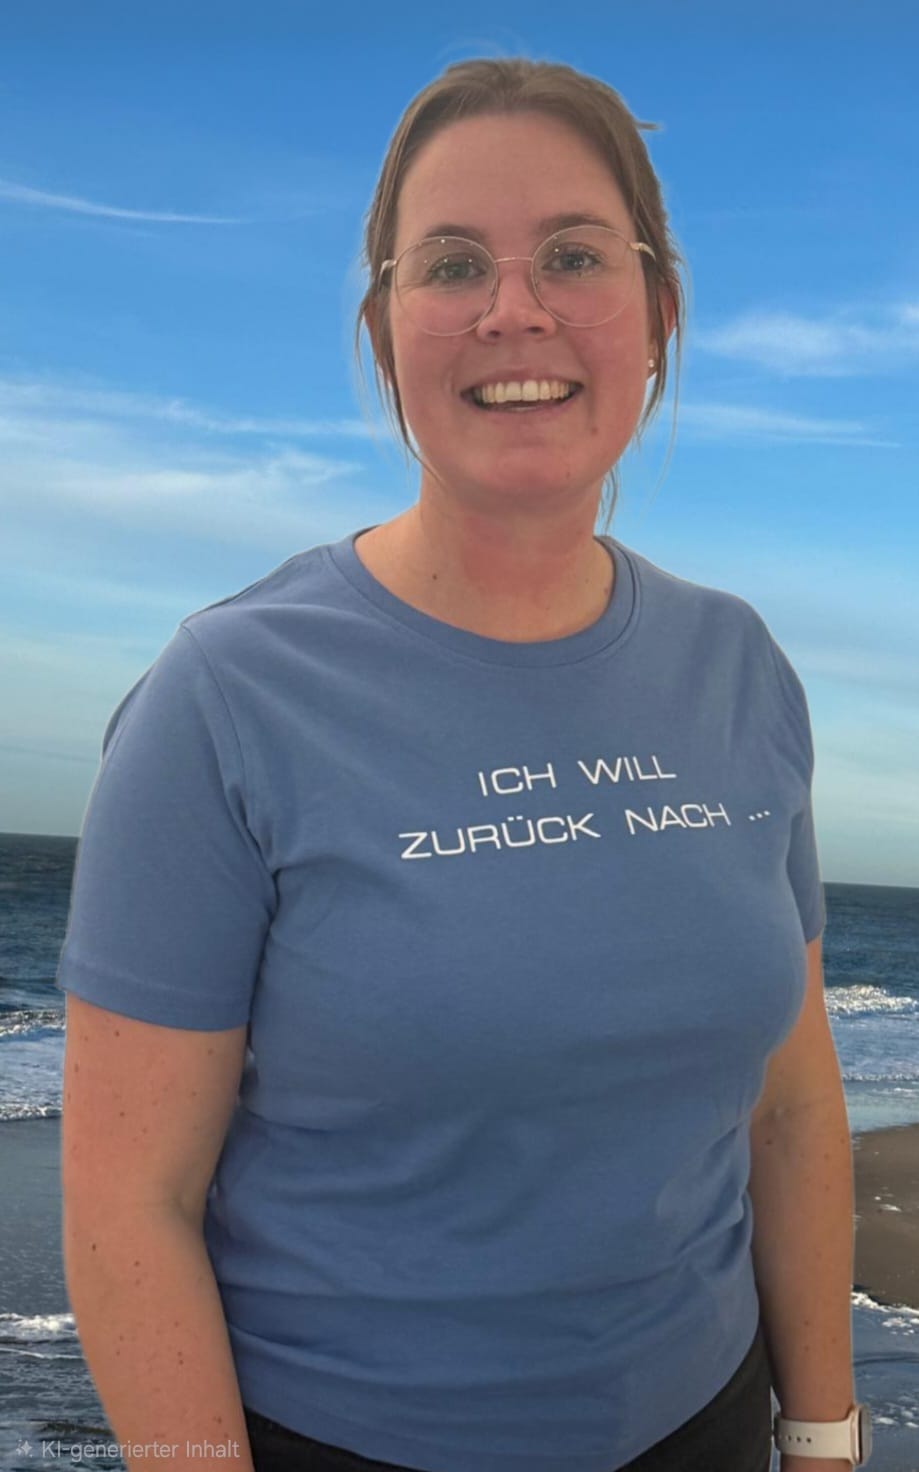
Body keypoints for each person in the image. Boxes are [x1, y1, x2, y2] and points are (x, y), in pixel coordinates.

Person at [56, 56, 865, 1472]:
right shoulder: (227, 697)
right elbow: (132, 1204)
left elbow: (793, 1108)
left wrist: (825, 1431)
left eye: (575, 254)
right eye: (451, 265)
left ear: (660, 316)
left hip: (711, 1417)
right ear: (386, 335)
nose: (515, 310)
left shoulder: (739, 667)